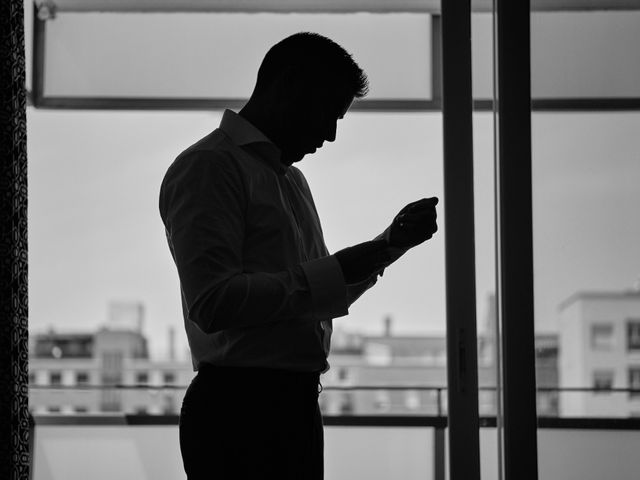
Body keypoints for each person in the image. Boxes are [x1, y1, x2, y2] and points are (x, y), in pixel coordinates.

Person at [159, 32, 438, 480]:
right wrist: (340, 267)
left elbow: (312, 292)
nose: (329, 135)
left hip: (288, 407)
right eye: (327, 113)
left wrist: (388, 246)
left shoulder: (289, 181)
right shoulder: (209, 167)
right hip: (240, 416)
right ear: (288, 86)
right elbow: (213, 303)